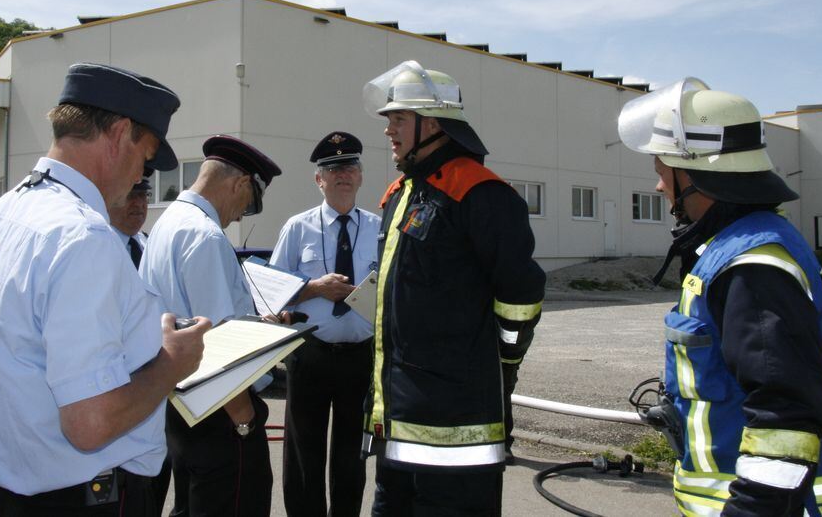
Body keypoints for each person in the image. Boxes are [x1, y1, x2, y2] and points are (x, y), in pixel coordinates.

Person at [0, 62, 210, 516]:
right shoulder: (83, 237)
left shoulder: (1, 214)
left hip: (21, 497)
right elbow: (91, 424)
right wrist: (171, 362)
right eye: (144, 157)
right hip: (87, 499)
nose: (138, 178)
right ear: (119, 134)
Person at [617, 78, 822, 516]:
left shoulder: (752, 267)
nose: (660, 186)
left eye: (663, 169)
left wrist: (753, 509)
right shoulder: (747, 244)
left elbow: (786, 419)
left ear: (697, 172)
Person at [360, 61, 546, 516]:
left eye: (399, 119)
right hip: (397, 423)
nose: (389, 131)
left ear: (434, 124)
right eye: (388, 120)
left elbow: (519, 297)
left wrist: (503, 365)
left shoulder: (483, 195)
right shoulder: (399, 193)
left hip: (457, 426)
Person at [140, 135, 282, 517]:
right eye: (247, 204)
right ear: (239, 184)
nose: (239, 216)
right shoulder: (204, 236)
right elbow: (221, 347)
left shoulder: (167, 223)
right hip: (218, 413)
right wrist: (243, 419)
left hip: (178, 403)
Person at [269, 131, 381, 517]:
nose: (342, 175)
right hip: (310, 354)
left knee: (352, 453)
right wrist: (315, 288)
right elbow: (273, 293)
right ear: (319, 180)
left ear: (361, 176)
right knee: (304, 452)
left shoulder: (378, 228)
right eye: (332, 169)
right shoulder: (297, 228)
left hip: (360, 357)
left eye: (349, 167)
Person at [109, 175, 151, 268]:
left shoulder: (149, 244)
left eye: (143, 195)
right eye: (130, 195)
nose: (139, 204)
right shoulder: (98, 247)